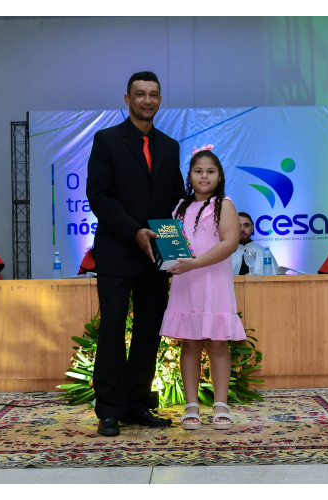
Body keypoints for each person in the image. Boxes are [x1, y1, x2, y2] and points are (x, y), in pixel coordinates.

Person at [86, 71, 186, 437]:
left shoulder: (170, 146)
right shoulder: (107, 140)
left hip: (156, 255)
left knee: (149, 328)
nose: (147, 100)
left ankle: (138, 404)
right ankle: (110, 410)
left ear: (160, 100)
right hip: (117, 250)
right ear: (127, 99)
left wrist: (180, 237)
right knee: (113, 328)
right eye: (140, 94)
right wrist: (134, 230)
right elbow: (99, 196)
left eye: (153, 94)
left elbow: (176, 199)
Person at [160, 146, 245, 431]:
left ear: (220, 176)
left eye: (210, 171)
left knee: (217, 343)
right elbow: (173, 246)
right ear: (190, 175)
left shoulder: (224, 204)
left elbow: (229, 243)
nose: (204, 176)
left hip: (214, 283)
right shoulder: (179, 207)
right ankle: (191, 405)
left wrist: (195, 263)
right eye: (198, 171)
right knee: (190, 343)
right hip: (186, 284)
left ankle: (221, 404)